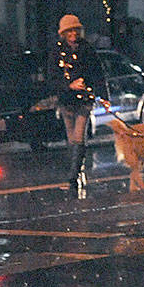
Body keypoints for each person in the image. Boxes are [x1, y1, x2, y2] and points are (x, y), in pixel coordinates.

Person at [47, 14, 105, 197]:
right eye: (69, 31)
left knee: (78, 137)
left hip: (84, 100)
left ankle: (72, 177)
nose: (72, 34)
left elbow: (98, 74)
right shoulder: (57, 52)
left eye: (75, 30)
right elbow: (52, 78)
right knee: (71, 138)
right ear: (63, 33)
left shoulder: (87, 50)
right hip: (66, 100)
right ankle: (78, 171)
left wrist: (103, 96)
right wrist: (68, 85)